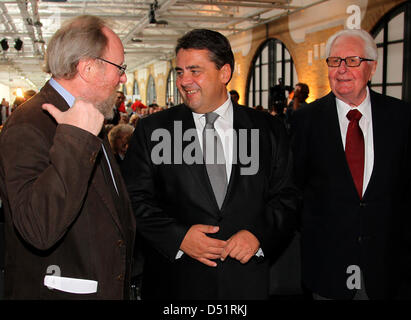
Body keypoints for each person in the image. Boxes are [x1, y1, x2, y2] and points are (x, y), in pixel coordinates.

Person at [122, 28, 298, 300]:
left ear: (224, 73)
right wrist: (178, 237)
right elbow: (134, 199)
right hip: (176, 282)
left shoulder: (268, 130)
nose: (184, 81)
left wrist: (258, 235)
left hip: (246, 283)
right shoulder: (152, 130)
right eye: (180, 72)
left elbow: (287, 195)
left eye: (195, 71)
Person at [0, 15, 136, 299]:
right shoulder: (30, 123)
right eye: (119, 67)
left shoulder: (85, 116)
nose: (123, 77)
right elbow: (37, 226)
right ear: (87, 68)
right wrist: (75, 138)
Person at [291, 28, 411, 300]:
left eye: (352, 61)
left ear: (372, 67)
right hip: (327, 268)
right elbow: (294, 190)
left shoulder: (402, 117)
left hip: (389, 268)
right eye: (335, 61)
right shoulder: (304, 121)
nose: (342, 69)